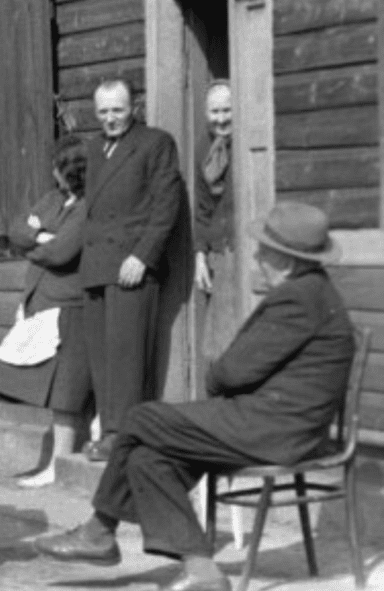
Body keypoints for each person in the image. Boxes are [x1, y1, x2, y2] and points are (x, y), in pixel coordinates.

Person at [36, 202, 355, 591]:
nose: (256, 255)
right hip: (277, 421)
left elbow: (232, 372)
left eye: (264, 251)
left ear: (287, 261)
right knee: (146, 458)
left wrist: (216, 375)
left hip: (275, 430)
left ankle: (99, 530)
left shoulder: (297, 299)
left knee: (140, 419)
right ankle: (202, 570)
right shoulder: (315, 292)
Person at [80, 79, 183, 460]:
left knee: (127, 355)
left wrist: (143, 256)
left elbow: (166, 204)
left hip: (130, 265)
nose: (110, 118)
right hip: (95, 267)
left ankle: (123, 434)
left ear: (133, 107)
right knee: (102, 356)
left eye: (117, 110)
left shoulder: (155, 143)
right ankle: (109, 427)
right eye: (103, 111)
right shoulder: (94, 149)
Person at [0, 134, 91, 487]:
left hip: (68, 306)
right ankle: (58, 462)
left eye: (59, 168)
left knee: (66, 391)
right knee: (46, 384)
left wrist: (38, 239)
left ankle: (59, 465)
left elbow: (63, 253)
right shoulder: (51, 200)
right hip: (42, 303)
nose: (57, 175)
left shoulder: (88, 206)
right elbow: (17, 230)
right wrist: (40, 237)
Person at [194, 81, 239, 375]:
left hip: (243, 250)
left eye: (227, 110)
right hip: (218, 254)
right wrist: (199, 255)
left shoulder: (245, 144)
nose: (221, 119)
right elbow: (202, 208)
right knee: (219, 344)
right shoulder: (204, 147)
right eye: (214, 111)